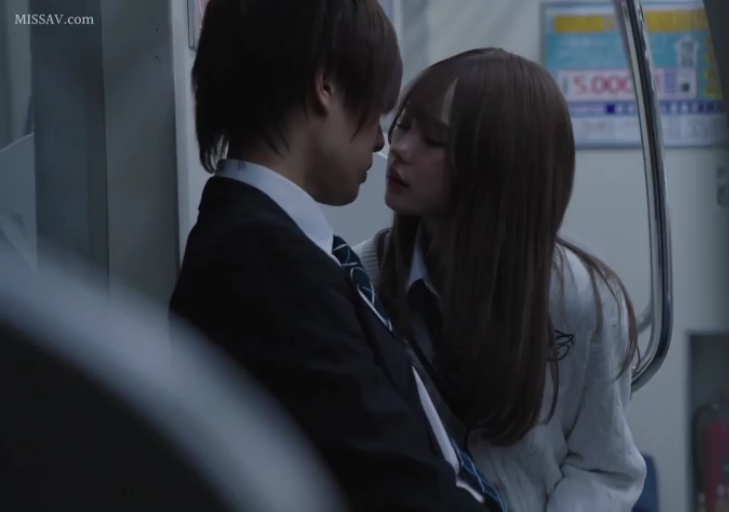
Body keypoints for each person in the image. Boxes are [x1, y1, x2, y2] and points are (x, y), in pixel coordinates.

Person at [169, 1, 504, 511]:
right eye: (377, 110)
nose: (381, 141)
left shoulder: (274, 244)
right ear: (325, 86)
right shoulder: (263, 264)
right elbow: (393, 482)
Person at [353, 48, 648, 511]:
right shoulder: (362, 280)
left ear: (497, 163)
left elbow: (603, 467)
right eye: (403, 126)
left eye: (433, 140)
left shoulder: (580, 298)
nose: (401, 150)